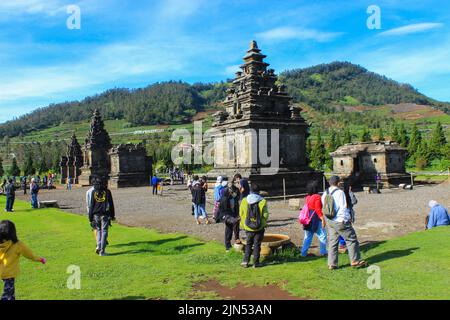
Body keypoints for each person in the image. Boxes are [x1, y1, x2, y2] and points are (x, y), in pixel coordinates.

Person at [322, 176, 367, 269]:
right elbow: (343, 207)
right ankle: (355, 260)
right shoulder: (340, 192)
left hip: (330, 220)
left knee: (333, 241)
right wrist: (346, 219)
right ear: (338, 183)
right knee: (351, 239)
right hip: (339, 220)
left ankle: (332, 264)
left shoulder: (325, 193)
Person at [0, 220, 46, 300]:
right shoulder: (17, 245)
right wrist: (40, 259)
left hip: (2, 271)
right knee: (7, 295)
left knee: (10, 292)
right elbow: (30, 255)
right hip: (9, 274)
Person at [239, 183, 269, 268]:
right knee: (257, 245)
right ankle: (256, 263)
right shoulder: (262, 201)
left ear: (250, 190)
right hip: (259, 227)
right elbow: (265, 215)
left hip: (248, 227)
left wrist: (243, 225)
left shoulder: (244, 200)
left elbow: (241, 213)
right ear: (258, 192)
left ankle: (245, 261)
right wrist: (263, 224)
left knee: (248, 244)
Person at [88, 178, 115, 256]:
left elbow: (91, 206)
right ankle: (102, 251)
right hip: (104, 214)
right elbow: (111, 205)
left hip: (96, 215)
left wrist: (90, 217)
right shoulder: (107, 192)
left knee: (99, 230)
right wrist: (112, 215)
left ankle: (99, 246)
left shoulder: (94, 192)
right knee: (104, 231)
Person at [300, 181, 327, 257]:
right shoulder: (317, 197)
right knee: (322, 235)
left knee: (307, 237)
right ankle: (323, 252)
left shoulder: (308, 197)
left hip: (308, 218)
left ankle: (303, 253)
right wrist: (322, 219)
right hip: (315, 218)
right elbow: (318, 209)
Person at [338, 182, 358, 253]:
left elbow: (354, 201)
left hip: (340, 216)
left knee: (341, 231)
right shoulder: (345, 194)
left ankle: (342, 244)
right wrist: (350, 192)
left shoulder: (340, 194)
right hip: (346, 216)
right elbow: (354, 201)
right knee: (348, 231)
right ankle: (345, 245)